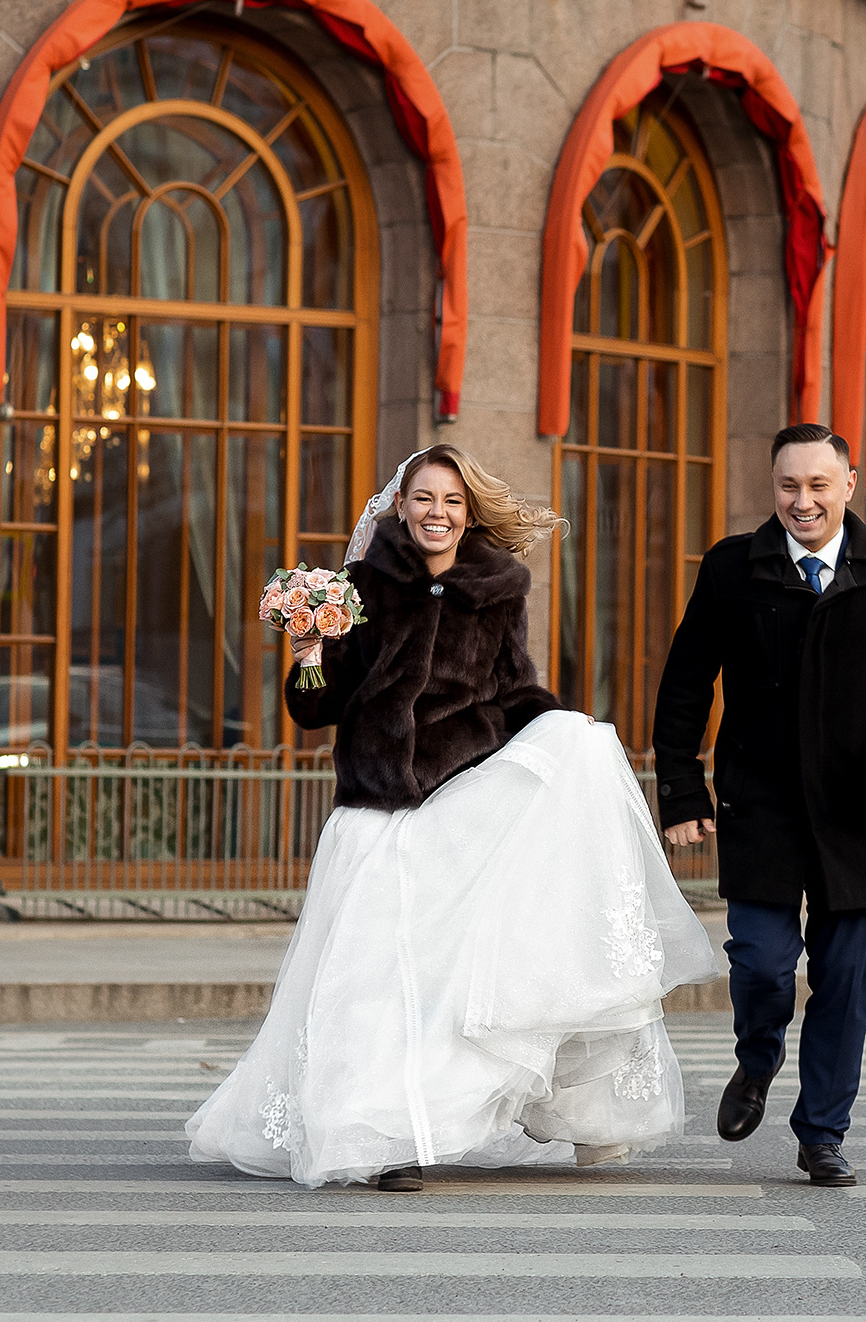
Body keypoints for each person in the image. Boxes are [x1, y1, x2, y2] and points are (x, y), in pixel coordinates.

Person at [187, 445, 715, 1191]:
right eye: (424, 499)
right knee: (371, 985)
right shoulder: (357, 590)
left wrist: (567, 736)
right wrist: (309, 650)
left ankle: (561, 1111)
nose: (438, 513)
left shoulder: (498, 591)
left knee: (479, 976)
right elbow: (314, 707)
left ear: (469, 515)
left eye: (453, 502)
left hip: (463, 812)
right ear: (399, 507)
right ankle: (379, 1139)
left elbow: (512, 691)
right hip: (375, 813)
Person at [650, 423, 866, 1187]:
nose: (804, 501)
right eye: (790, 485)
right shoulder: (732, 568)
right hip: (762, 807)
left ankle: (821, 1131)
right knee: (760, 964)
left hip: (858, 813)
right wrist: (683, 789)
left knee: (848, 979)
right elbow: (687, 684)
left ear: (850, 485)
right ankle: (756, 1059)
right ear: (773, 486)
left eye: (820, 485)